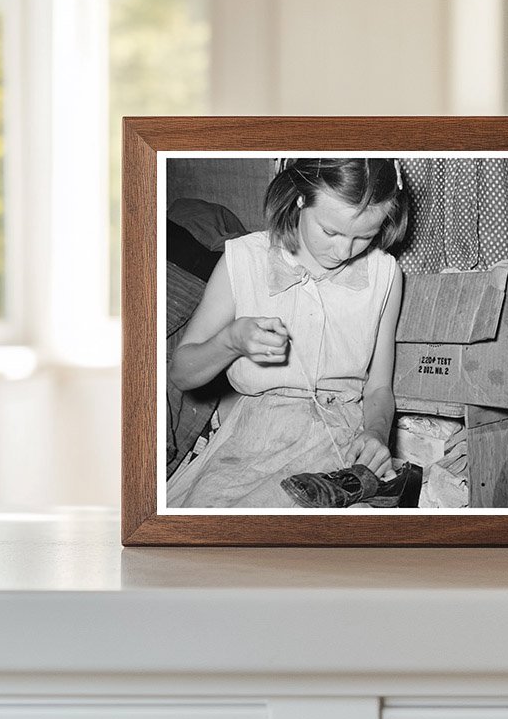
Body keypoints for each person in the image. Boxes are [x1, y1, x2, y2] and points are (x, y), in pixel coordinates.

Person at [166, 157, 408, 508]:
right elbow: (182, 373)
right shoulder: (245, 258)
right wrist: (230, 340)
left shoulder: (385, 273)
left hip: (342, 442)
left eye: (365, 237)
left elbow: (379, 388)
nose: (344, 251)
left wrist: (375, 433)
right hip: (252, 442)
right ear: (298, 199)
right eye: (331, 231)